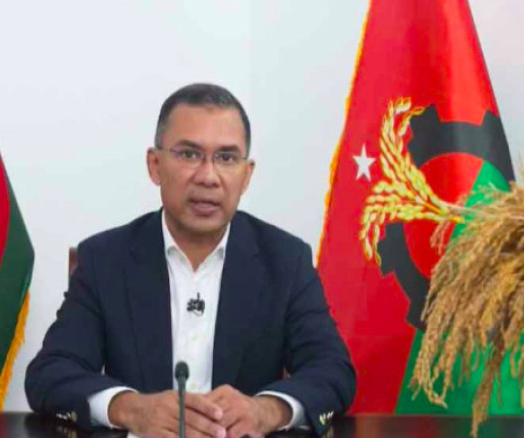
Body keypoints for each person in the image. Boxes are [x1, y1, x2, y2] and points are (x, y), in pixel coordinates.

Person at [25, 83, 356, 438]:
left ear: (246, 175)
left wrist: (266, 411)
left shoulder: (285, 260)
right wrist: (131, 408)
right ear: (155, 165)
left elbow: (333, 371)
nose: (208, 177)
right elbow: (50, 374)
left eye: (226, 158)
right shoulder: (105, 259)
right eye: (189, 154)